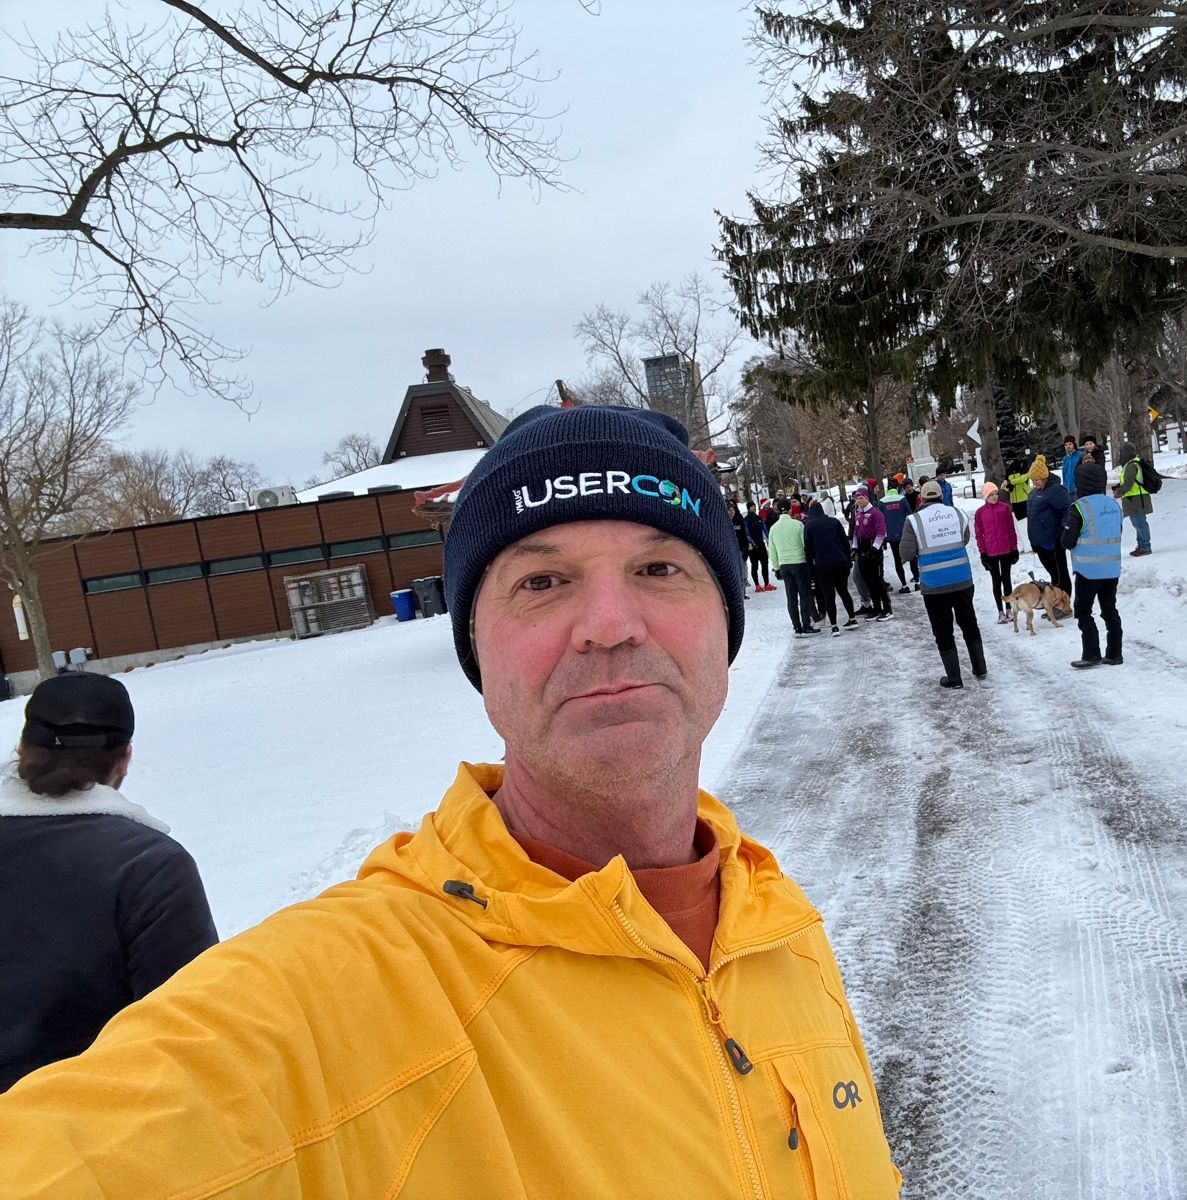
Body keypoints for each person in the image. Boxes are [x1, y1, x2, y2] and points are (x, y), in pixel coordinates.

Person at [0, 404, 902, 1199]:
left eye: (661, 568)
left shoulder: (777, 928)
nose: (609, 626)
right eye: (542, 582)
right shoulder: (337, 1001)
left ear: (724, 619)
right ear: (478, 645)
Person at [1, 673, 217, 1094]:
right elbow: (190, 1028)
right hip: (77, 1121)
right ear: (124, 759)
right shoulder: (149, 866)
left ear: (22, 749)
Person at [900, 480, 986, 688]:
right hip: (962, 579)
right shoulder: (957, 514)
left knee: (943, 631)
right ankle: (980, 667)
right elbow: (965, 539)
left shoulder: (914, 520)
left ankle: (954, 678)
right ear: (940, 495)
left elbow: (906, 553)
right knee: (969, 623)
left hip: (934, 585)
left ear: (922, 498)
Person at [1063, 476, 1124, 669]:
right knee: (1110, 610)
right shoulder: (1113, 505)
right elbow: (1118, 530)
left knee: (1083, 611)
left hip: (1087, 569)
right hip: (1112, 567)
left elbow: (1068, 540)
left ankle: (1091, 654)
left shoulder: (1079, 507)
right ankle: (1115, 653)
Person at [804, 497, 858, 635]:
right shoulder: (834, 522)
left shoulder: (810, 526)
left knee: (829, 595)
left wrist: (810, 569)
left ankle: (834, 626)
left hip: (823, 565)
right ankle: (852, 618)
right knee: (843, 591)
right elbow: (845, 542)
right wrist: (848, 561)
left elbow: (808, 550)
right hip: (840, 562)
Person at [768, 499, 820, 636]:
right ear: (790, 509)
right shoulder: (798, 525)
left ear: (778, 510)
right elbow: (805, 544)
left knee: (791, 597)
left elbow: (772, 550)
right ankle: (806, 624)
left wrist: (777, 567)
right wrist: (810, 561)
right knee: (804, 594)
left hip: (784, 565)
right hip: (799, 562)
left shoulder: (773, 529)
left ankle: (796, 626)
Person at [1024, 454, 1074, 595]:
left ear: (1044, 477)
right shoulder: (1034, 493)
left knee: (1060, 574)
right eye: (1033, 480)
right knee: (1053, 575)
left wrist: (1066, 532)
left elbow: (1067, 512)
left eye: (1037, 480)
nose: (1035, 483)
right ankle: (1056, 599)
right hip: (1040, 542)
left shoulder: (1056, 490)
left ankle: (1064, 601)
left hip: (1053, 541)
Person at [973, 480, 1020, 623]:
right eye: (991, 495)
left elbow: (1011, 529)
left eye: (996, 494)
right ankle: (1000, 611)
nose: (994, 497)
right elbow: (979, 535)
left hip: (1006, 550)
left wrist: (1014, 548)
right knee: (996, 581)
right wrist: (983, 554)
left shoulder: (1004, 508)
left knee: (1006, 579)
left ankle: (1009, 609)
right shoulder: (980, 513)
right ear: (985, 496)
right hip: (991, 552)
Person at [851, 486, 895, 620]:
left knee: (878, 581)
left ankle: (887, 609)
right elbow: (856, 533)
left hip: (874, 552)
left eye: (861, 498)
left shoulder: (876, 513)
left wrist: (875, 548)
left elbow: (881, 532)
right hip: (862, 551)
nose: (858, 501)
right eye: (857, 499)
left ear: (866, 498)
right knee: (868, 582)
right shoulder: (858, 514)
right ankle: (876, 608)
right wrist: (854, 548)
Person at [1113, 443, 1154, 556]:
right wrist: (1119, 487)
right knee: (1138, 523)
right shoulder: (1134, 463)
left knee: (1139, 523)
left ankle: (1145, 546)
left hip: (1136, 499)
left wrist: (1120, 492)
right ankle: (1141, 545)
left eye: (1122, 452)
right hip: (1136, 498)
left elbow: (1129, 483)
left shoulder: (1131, 465)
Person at [878, 482, 917, 592]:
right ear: (897, 488)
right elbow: (910, 514)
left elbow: (880, 520)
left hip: (891, 535)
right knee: (912, 557)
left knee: (897, 560)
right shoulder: (902, 499)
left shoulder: (881, 502)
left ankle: (904, 585)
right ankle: (917, 582)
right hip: (905, 533)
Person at [740, 501, 773, 592]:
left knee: (765, 564)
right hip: (753, 546)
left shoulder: (759, 518)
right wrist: (752, 543)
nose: (754, 508)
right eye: (751, 507)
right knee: (755, 566)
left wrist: (769, 539)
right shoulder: (746, 520)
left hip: (761, 544)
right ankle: (757, 585)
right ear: (748, 508)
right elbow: (746, 533)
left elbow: (764, 530)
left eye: (754, 506)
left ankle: (766, 583)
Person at [728, 501, 751, 597]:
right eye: (729, 510)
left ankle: (742, 592)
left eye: (732, 510)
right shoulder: (724, 522)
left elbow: (744, 535)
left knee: (741, 571)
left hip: (740, 549)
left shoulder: (739, 520)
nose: (731, 512)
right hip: (729, 551)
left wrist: (746, 548)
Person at [1059, 436, 1083, 502]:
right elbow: (1064, 474)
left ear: (1074, 444)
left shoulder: (1080, 455)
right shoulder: (1065, 458)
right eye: (1066, 445)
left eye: (1070, 444)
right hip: (1068, 491)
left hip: (1078, 490)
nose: (1068, 446)